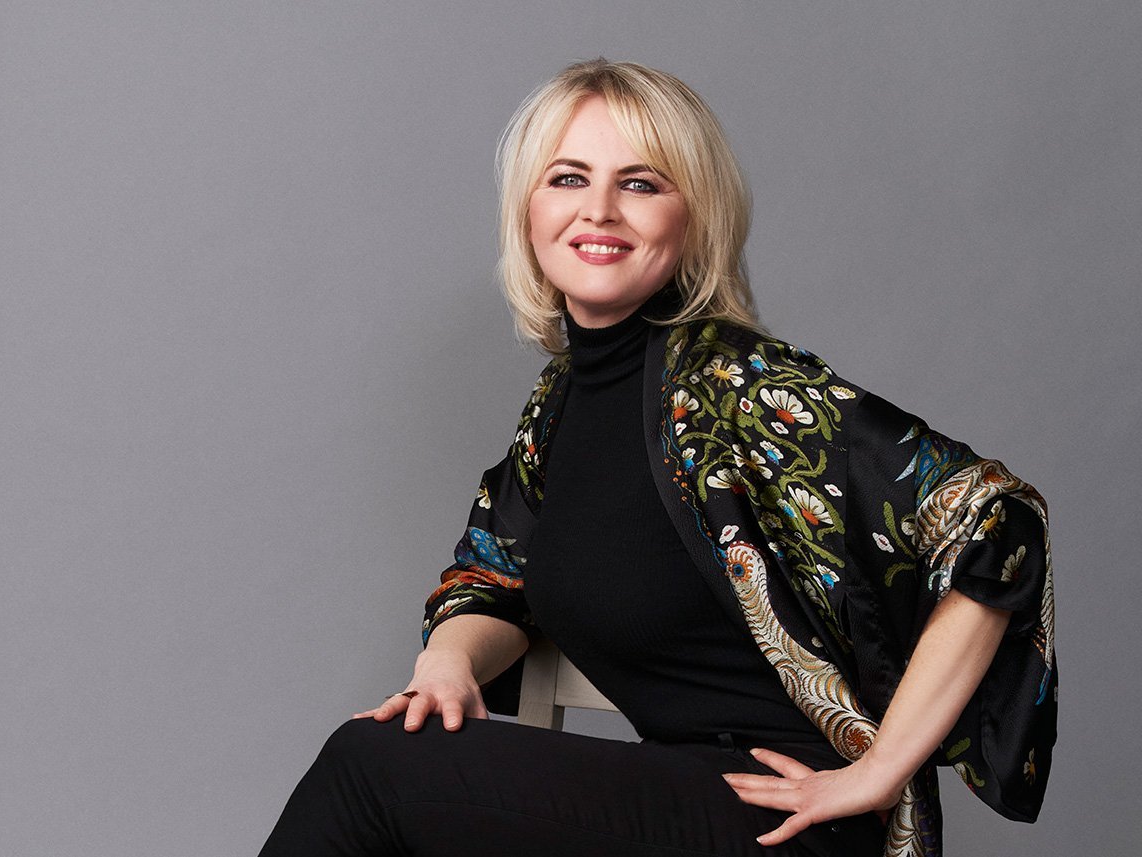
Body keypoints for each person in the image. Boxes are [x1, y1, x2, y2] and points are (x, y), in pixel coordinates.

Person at [258, 59, 1056, 857]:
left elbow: (997, 522)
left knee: (371, 767)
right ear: (529, 210)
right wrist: (447, 662)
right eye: (568, 178)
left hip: (786, 817)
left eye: (640, 184)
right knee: (391, 762)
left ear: (694, 217)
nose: (599, 209)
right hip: (674, 794)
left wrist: (878, 772)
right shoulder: (561, 400)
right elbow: (494, 573)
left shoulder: (738, 386)